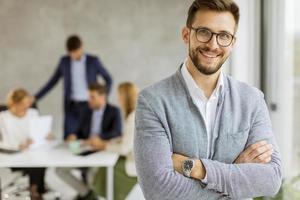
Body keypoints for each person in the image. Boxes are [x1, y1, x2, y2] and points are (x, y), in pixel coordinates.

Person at [134, 0, 282, 200]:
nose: (213, 45)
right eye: (204, 32)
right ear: (187, 35)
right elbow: (158, 190)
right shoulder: (153, 101)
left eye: (224, 36)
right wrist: (235, 173)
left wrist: (198, 169)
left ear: (233, 43)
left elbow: (271, 179)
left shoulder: (252, 99)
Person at [34, 35, 113, 139]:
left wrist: (103, 98)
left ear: (82, 47)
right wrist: (36, 97)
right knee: (69, 138)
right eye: (71, 53)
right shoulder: (64, 61)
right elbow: (52, 81)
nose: (74, 55)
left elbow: (108, 79)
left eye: (76, 51)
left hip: (89, 105)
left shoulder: (93, 61)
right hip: (71, 106)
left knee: (87, 138)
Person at [56, 83, 122, 200]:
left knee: (93, 173)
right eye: (89, 97)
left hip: (102, 150)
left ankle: (91, 195)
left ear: (102, 97)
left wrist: (99, 138)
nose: (89, 100)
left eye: (92, 97)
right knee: (60, 170)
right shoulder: (86, 111)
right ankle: (87, 194)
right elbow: (79, 131)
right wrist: (74, 136)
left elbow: (117, 132)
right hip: (85, 149)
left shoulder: (114, 111)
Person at [0, 88, 48, 200]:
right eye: (24, 104)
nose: (27, 107)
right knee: (35, 166)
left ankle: (35, 192)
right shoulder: (3, 117)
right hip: (12, 155)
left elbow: (38, 134)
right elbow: (3, 143)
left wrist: (44, 135)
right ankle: (35, 191)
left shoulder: (33, 113)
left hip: (32, 154)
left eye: (28, 103)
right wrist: (19, 145)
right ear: (15, 103)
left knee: (38, 163)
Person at [93, 82, 138, 200]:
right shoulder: (134, 115)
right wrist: (107, 144)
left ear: (126, 98)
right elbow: (127, 140)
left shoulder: (133, 118)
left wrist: (103, 146)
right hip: (132, 158)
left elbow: (124, 149)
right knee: (105, 168)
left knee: (106, 169)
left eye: (120, 96)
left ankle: (101, 196)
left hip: (134, 165)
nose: (118, 99)